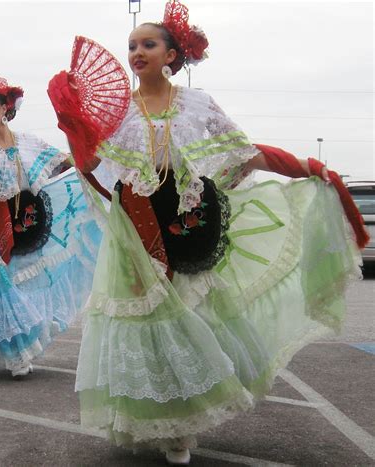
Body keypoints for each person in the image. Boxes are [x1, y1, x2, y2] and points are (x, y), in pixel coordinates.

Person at [72, 1, 365, 464]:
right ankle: (157, 417)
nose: (136, 51)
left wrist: (304, 167)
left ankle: (183, 427)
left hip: (190, 217)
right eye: (131, 45)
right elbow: (89, 165)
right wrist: (71, 122)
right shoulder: (117, 113)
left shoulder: (198, 103)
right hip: (138, 224)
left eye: (148, 43)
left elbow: (243, 152)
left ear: (171, 55)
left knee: (193, 316)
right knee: (146, 319)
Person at [0, 78, 101, 377]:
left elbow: (63, 163)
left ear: (4, 108)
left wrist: (86, 152)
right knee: (4, 282)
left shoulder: (28, 140)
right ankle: (16, 354)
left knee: (29, 283)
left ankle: (25, 344)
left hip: (31, 218)